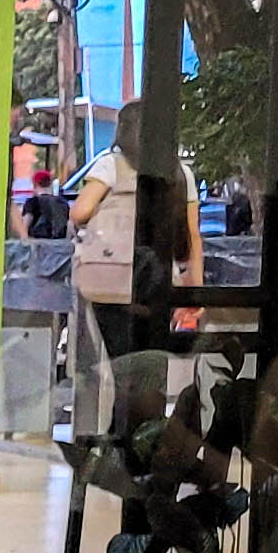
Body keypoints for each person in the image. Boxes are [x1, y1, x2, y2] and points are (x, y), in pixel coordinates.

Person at [68, 100, 204, 382]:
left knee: (122, 367)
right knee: (152, 368)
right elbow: (192, 235)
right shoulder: (180, 173)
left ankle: (126, 409)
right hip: (159, 281)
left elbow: (79, 212)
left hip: (112, 279)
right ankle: (148, 408)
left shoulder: (110, 166)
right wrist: (194, 291)